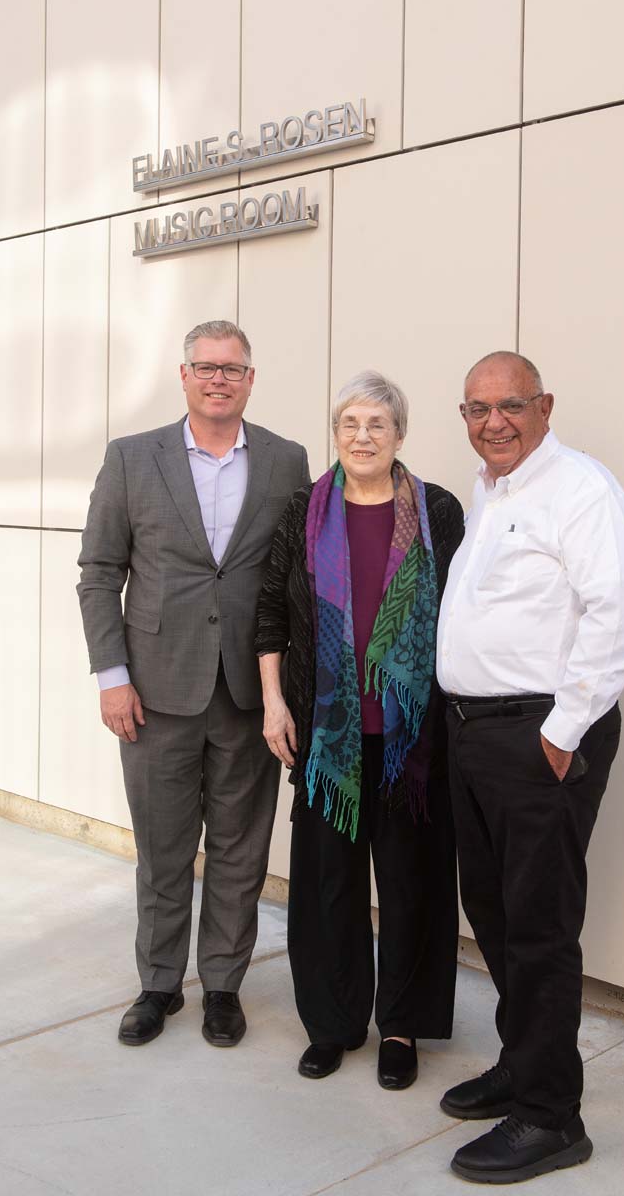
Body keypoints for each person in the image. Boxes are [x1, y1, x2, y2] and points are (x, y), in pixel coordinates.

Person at [437, 351, 624, 1183]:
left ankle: (551, 1118)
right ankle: (525, 1066)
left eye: (512, 405)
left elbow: (616, 610)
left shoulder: (580, 489)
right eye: (478, 408)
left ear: (545, 406)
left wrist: (561, 734)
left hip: (539, 738)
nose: (494, 422)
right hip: (477, 737)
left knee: (539, 928)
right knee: (493, 915)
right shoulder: (493, 493)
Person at [77, 320, 309, 1049]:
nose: (218, 379)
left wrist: (292, 689)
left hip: (249, 694)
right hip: (154, 691)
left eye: (232, 369)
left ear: (250, 379)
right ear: (183, 376)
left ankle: (223, 988)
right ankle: (158, 984)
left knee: (240, 850)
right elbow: (99, 573)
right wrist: (113, 676)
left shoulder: (284, 460)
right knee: (164, 846)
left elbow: (299, 579)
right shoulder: (131, 458)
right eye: (205, 367)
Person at [256, 370, 463, 1090]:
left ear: (400, 434)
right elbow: (270, 617)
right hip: (328, 739)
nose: (363, 436)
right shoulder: (303, 514)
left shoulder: (437, 511)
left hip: (413, 742)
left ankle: (401, 1027)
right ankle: (333, 1024)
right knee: (328, 887)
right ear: (334, 434)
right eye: (350, 423)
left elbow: (464, 620)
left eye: (378, 423)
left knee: (412, 884)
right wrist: (274, 704)